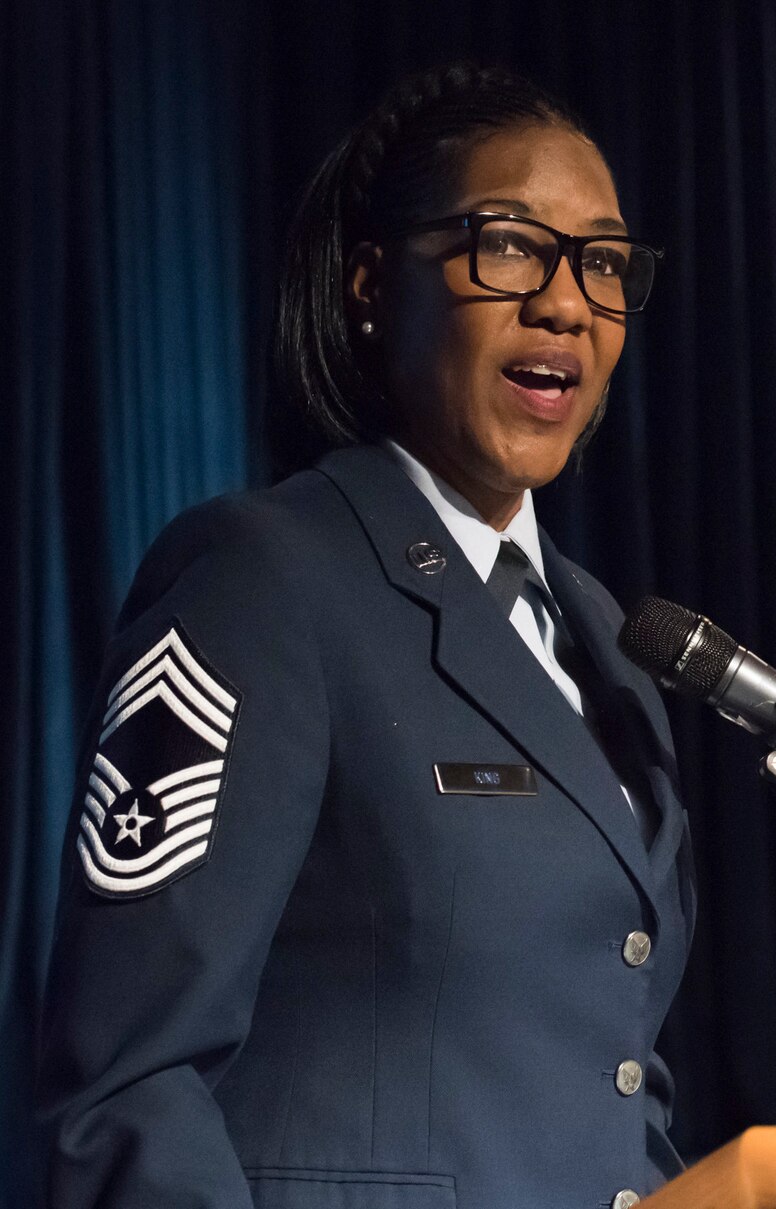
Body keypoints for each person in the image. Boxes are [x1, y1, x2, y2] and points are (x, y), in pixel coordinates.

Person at [36, 62, 692, 1209]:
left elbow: (616, 1082)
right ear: (371, 286)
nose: (566, 302)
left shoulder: (607, 642)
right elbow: (126, 1089)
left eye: (600, 262)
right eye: (508, 247)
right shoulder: (261, 581)